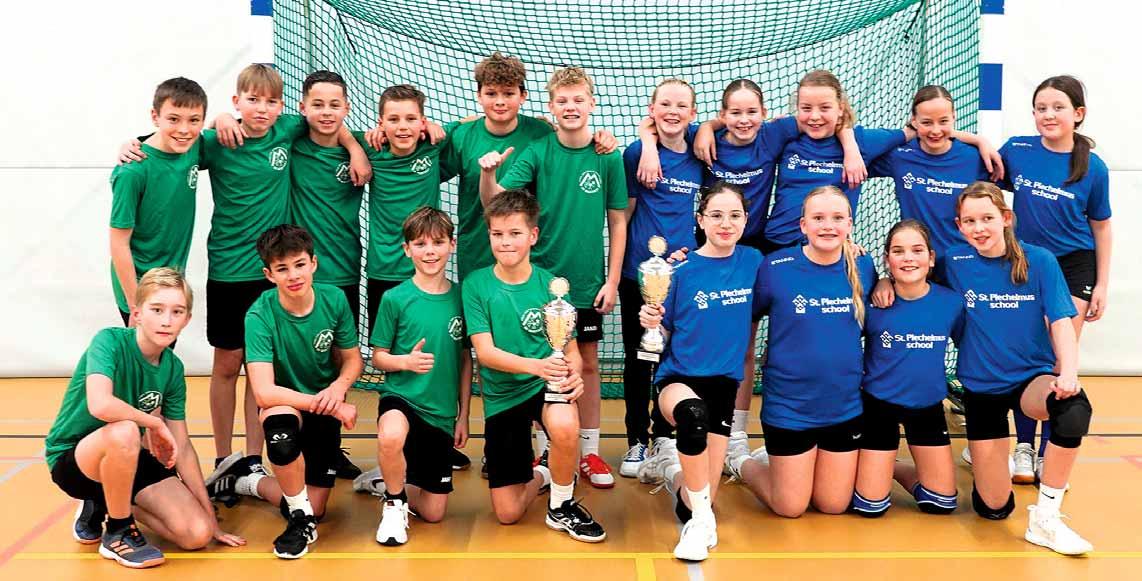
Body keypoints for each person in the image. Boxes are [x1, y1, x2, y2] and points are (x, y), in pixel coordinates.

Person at [478, 66, 628, 488]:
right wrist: (488, 174)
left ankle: (590, 451)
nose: (571, 107)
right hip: (540, 286)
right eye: (562, 101)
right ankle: (549, 448)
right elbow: (497, 203)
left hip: (587, 283)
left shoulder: (607, 156)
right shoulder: (537, 151)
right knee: (545, 363)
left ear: (591, 104)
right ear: (551, 107)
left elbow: (618, 220)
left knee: (589, 364)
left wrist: (612, 280)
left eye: (578, 100)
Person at [46, 268, 245, 568]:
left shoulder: (173, 369)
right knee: (125, 430)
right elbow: (100, 405)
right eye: (157, 310)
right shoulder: (109, 341)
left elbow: (183, 447)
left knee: (197, 534)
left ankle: (107, 501)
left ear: (187, 319)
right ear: (137, 314)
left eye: (177, 311)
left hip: (128, 457)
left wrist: (210, 516)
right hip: (75, 460)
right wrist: (153, 422)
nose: (167, 320)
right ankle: (118, 532)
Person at [462, 188, 605, 542]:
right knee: (508, 514)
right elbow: (486, 353)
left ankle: (561, 505)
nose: (505, 242)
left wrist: (573, 376)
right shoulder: (476, 284)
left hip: (544, 385)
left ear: (533, 235)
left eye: (515, 233)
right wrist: (538, 366)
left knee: (566, 424)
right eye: (497, 234)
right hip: (503, 395)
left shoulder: (551, 287)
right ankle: (545, 472)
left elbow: (570, 349)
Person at [726, 186, 876, 519]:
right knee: (790, 507)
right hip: (789, 409)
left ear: (849, 224)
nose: (828, 225)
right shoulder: (776, 267)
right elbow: (747, 319)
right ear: (803, 225)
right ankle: (740, 461)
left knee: (833, 505)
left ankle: (791, 465)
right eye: (818, 218)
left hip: (843, 407)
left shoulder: (864, 267)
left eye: (837, 218)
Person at [218, 225, 362, 559]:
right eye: (282, 269)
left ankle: (245, 481)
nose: (293, 275)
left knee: (318, 507)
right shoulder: (259, 315)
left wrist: (338, 388)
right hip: (286, 402)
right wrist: (331, 405)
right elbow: (265, 393)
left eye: (299, 264)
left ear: (314, 263)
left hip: (323, 402)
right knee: (281, 438)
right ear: (268, 274)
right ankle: (300, 521)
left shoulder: (334, 299)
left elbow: (353, 359)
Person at [637, 181, 762, 561]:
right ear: (701, 219)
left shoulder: (754, 262)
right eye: (716, 215)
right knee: (693, 418)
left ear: (746, 220)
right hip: (679, 378)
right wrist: (651, 322)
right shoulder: (679, 270)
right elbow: (662, 331)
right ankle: (701, 524)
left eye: (735, 215)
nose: (726, 223)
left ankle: (668, 466)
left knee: (693, 497)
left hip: (723, 384)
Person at [999, 75, 1111, 483]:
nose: (1048, 114)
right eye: (1041, 108)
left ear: (1078, 114)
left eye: (1058, 107)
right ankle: (1023, 448)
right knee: (1029, 354)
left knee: (1058, 356)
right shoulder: (1018, 150)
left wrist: (1102, 284)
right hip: (1027, 264)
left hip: (1074, 267)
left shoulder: (1093, 168)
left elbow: (1101, 226)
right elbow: (982, 175)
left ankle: (1048, 451)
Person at [369, 207, 472, 546]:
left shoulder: (462, 298)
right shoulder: (395, 299)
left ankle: (386, 481)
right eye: (420, 244)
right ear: (406, 249)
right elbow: (379, 357)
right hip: (402, 398)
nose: (430, 251)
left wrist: (463, 415)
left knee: (434, 512)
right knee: (390, 435)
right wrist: (406, 362)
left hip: (440, 412)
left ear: (452, 245)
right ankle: (393, 503)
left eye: (438, 243)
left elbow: (465, 359)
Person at [853, 220, 963, 517]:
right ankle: (874, 463)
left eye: (917, 250)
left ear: (931, 258)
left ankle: (894, 466)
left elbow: (969, 345)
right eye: (898, 251)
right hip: (878, 405)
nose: (908, 258)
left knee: (941, 504)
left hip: (927, 406)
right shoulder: (873, 304)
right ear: (887, 259)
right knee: (871, 507)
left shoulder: (951, 303)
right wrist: (881, 282)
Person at [109, 77, 207, 327]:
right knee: (142, 351)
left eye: (194, 120)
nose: (184, 129)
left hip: (172, 283)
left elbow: (228, 131)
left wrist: (226, 118)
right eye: (173, 119)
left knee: (163, 350)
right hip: (139, 286)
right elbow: (119, 243)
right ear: (155, 116)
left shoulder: (194, 146)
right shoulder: (132, 171)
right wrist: (136, 305)